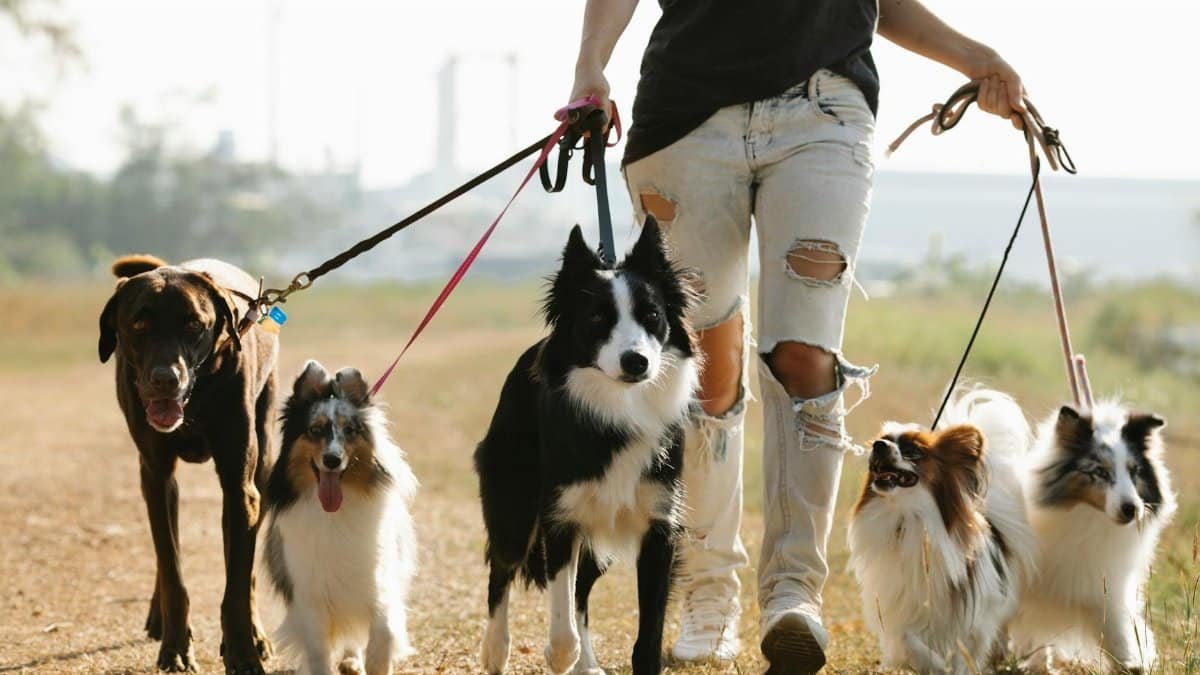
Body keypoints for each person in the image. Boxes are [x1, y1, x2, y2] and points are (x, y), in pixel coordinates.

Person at [568, 0, 1027, 671]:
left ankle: (793, 593)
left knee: (806, 355)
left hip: (826, 113)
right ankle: (707, 589)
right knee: (703, 361)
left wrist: (976, 57)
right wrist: (590, 64)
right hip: (686, 116)